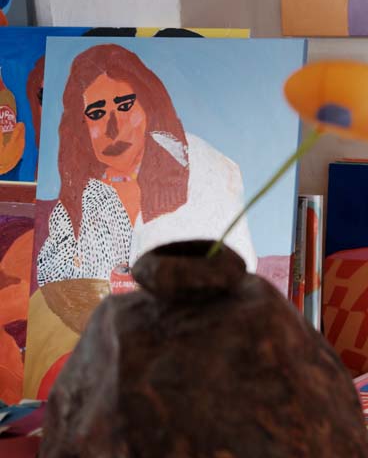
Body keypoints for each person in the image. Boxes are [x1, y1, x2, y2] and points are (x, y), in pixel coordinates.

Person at [36, 43, 255, 288]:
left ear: (148, 105)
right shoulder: (83, 194)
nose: (113, 129)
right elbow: (53, 280)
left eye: (124, 106)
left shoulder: (201, 166)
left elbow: (239, 267)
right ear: (81, 125)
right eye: (97, 114)